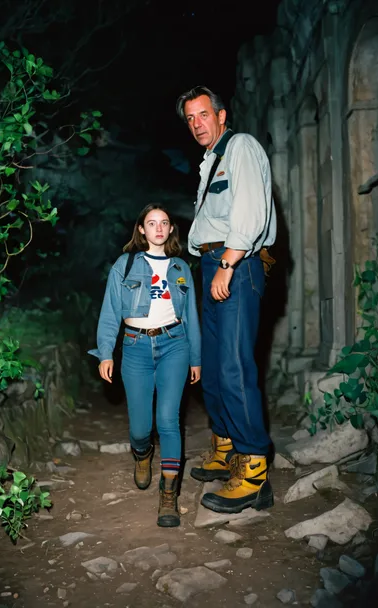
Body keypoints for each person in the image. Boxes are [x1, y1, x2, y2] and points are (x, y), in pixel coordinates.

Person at [175, 85, 276, 514]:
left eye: (203, 114)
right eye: (190, 118)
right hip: (211, 264)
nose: (197, 123)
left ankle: (254, 472)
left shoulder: (241, 147)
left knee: (234, 365)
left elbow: (251, 210)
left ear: (221, 114)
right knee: (213, 367)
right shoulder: (210, 161)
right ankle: (227, 446)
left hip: (236, 264)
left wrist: (230, 263)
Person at [89, 204, 201, 527]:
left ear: (170, 229)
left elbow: (191, 316)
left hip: (174, 344)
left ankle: (168, 497)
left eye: (164, 222)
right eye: (152, 223)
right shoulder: (124, 266)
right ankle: (142, 453)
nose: (159, 228)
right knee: (141, 428)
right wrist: (106, 352)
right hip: (136, 347)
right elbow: (110, 313)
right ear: (141, 229)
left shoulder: (181, 268)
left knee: (168, 419)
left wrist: (196, 358)